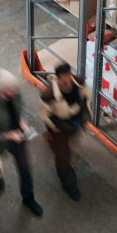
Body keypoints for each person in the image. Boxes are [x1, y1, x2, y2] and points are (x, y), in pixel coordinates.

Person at [0, 69, 43, 217]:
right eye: (12, 90)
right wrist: (7, 136)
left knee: (25, 169)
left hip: (17, 138)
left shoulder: (16, 93)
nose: (16, 92)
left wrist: (22, 119)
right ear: (3, 91)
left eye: (15, 89)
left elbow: (21, 106)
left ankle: (28, 198)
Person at [38, 63, 91, 202]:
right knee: (63, 156)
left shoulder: (77, 82)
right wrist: (55, 128)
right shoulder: (49, 95)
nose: (67, 81)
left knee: (71, 138)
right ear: (57, 79)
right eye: (63, 78)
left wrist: (86, 109)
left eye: (68, 76)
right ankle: (69, 185)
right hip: (59, 125)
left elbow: (85, 93)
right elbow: (44, 114)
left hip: (75, 121)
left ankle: (52, 142)